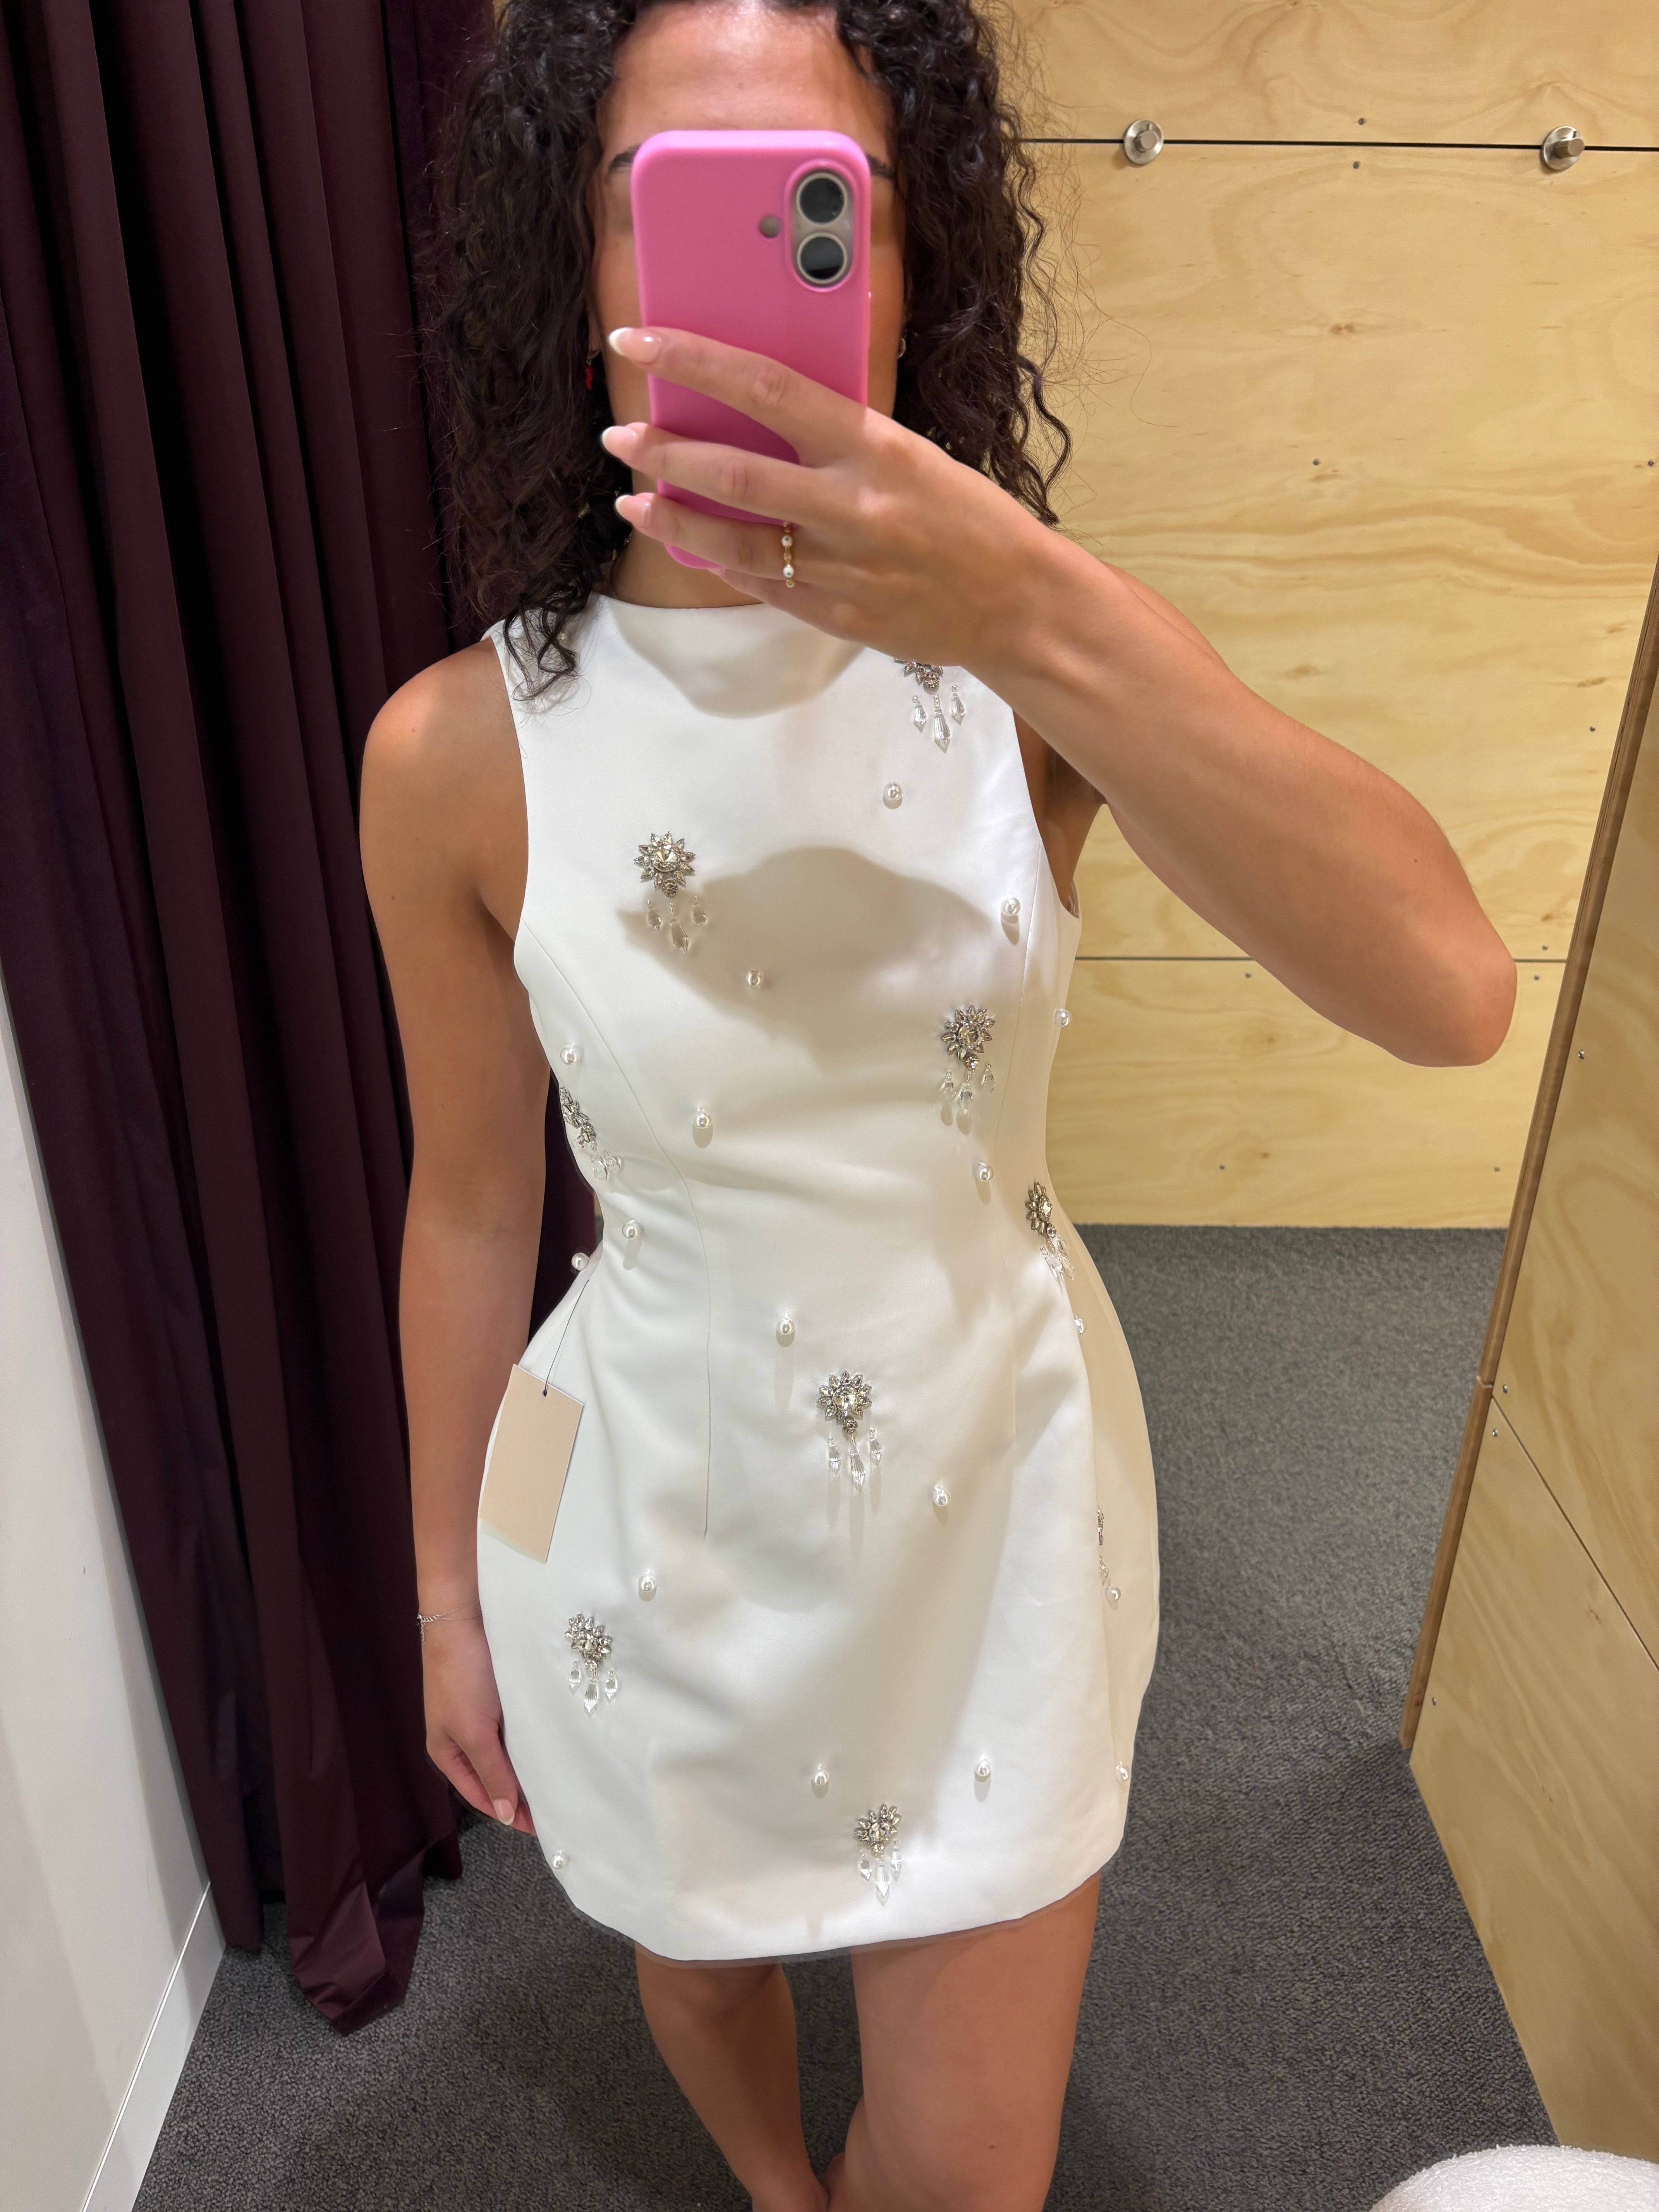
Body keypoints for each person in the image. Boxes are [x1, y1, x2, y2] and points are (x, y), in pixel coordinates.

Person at [359, 3, 1516, 2207]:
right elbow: (472, 1204)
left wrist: (1042, 609)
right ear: (574, 266)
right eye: (659, 203)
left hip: (993, 1491)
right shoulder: (454, 757)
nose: (740, 278)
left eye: (825, 207)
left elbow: (1451, 992)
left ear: (914, 265)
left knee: (974, 2176)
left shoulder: (1033, 678)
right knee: (699, 1962)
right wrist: (439, 1596)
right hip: (658, 1506)